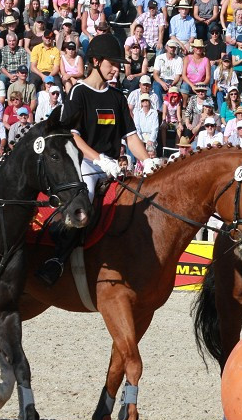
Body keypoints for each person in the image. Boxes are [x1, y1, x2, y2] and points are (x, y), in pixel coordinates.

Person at [36, 35, 163, 286]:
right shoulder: (78, 93)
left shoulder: (117, 97)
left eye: (118, 63)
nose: (117, 68)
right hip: (83, 163)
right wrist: (100, 159)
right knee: (83, 205)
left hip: (112, 166)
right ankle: (57, 259)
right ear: (95, 61)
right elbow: (73, 137)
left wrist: (147, 160)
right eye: (112, 63)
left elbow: (131, 137)